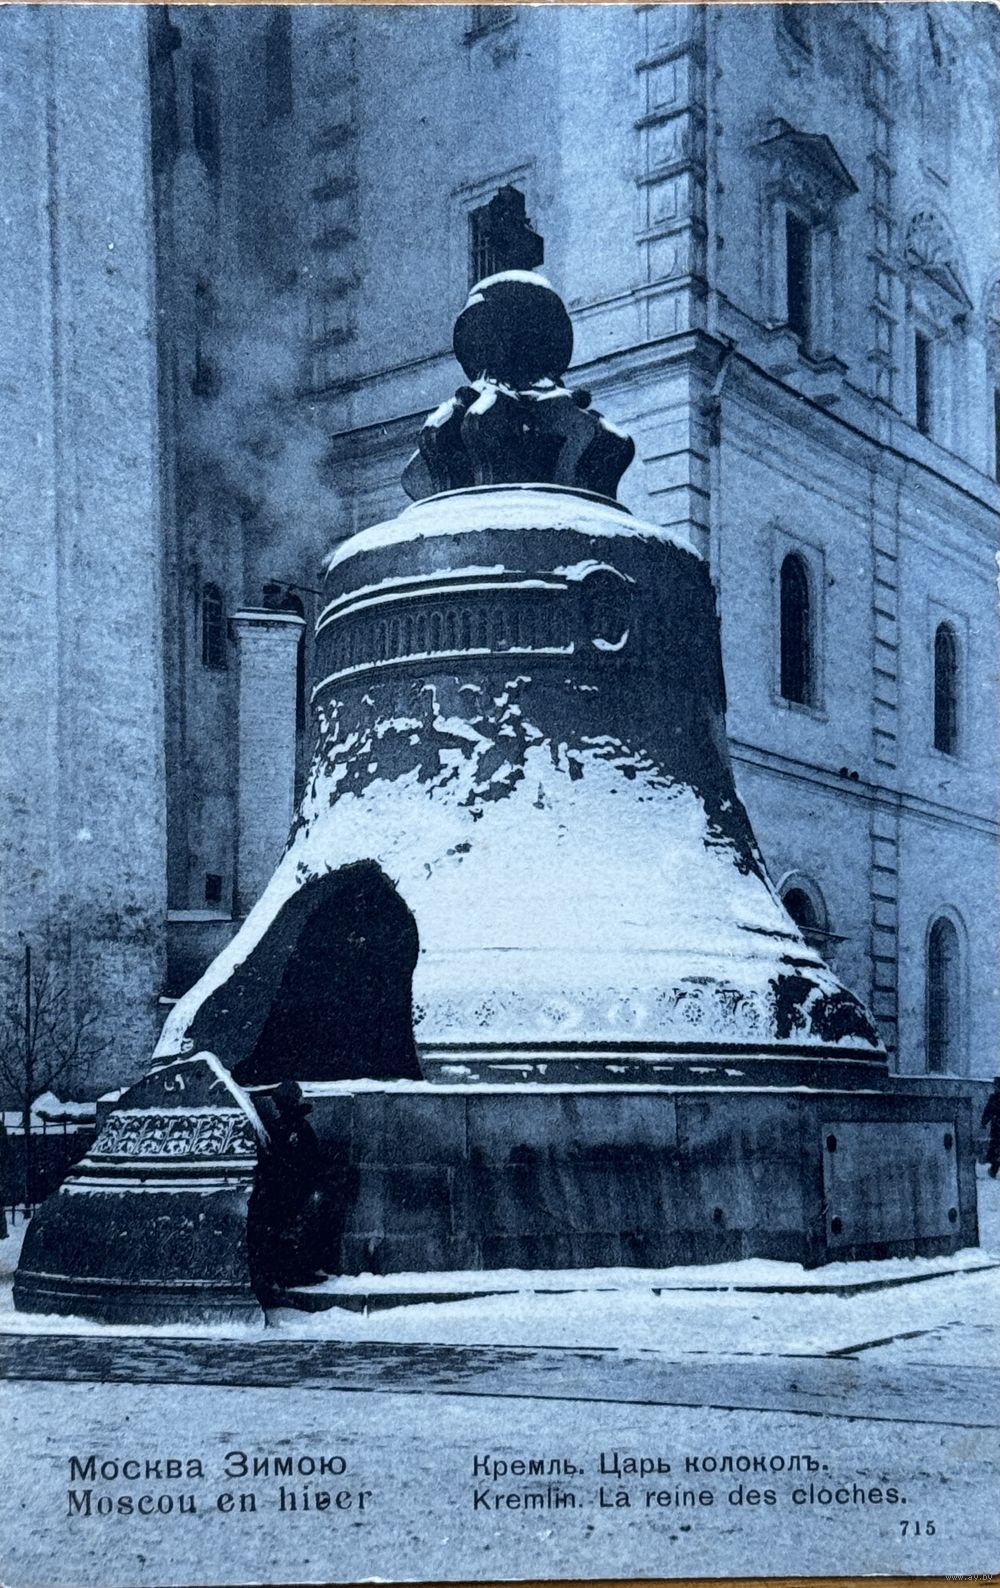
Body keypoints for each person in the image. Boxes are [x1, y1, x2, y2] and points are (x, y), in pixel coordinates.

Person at [981, 1078, 1000, 1179]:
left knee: (996, 1149)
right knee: (996, 1149)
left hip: (996, 1127)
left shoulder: (994, 1098)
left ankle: (994, 1169)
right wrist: (984, 1122)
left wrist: (984, 1122)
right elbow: (988, 1111)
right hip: (996, 1128)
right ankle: (994, 1169)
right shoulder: (994, 1098)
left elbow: (988, 1111)